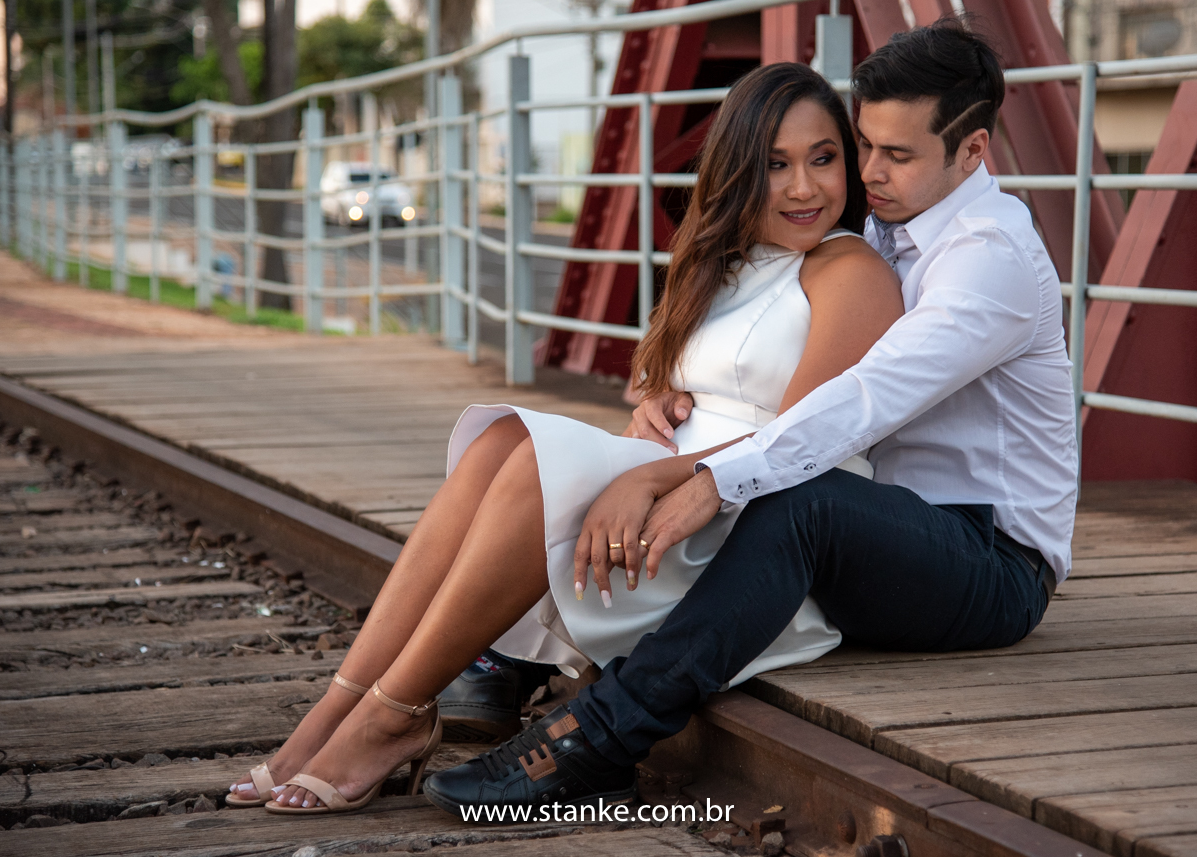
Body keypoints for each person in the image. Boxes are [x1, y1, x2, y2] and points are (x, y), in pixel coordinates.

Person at [424, 18, 1077, 817]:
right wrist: (665, 393)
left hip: (991, 562)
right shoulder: (886, 220)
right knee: (641, 470)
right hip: (888, 525)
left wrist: (706, 476)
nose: (869, 171)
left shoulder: (988, 259)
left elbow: (863, 397)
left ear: (972, 151)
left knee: (795, 500)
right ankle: (509, 657)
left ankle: (599, 736)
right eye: (863, 145)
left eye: (898, 155)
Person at [223, 61, 904, 814]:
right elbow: (681, 382)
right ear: (738, 169)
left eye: (822, 158)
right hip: (679, 491)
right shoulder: (727, 259)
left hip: (753, 536)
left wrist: (649, 475)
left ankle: (391, 717)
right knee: (500, 441)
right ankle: (341, 707)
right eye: (775, 165)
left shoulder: (850, 269)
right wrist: (656, 405)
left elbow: (800, 445)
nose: (804, 187)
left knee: (532, 468)